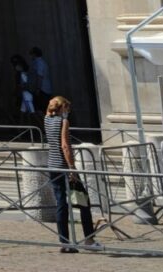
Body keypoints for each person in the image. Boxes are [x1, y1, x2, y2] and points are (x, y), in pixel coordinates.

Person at [44, 95, 98, 253]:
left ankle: (65, 243)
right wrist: (72, 168)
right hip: (64, 167)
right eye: (67, 108)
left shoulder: (46, 119)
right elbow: (65, 146)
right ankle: (89, 239)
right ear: (62, 108)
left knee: (61, 203)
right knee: (84, 202)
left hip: (52, 167)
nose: (69, 111)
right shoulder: (64, 121)